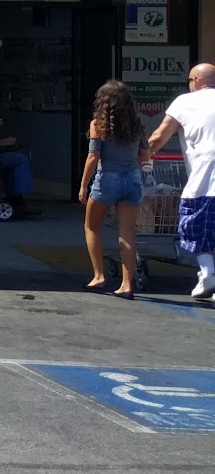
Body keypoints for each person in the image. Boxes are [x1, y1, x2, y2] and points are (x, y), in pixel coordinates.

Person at [148, 61, 215, 301]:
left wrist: (142, 157)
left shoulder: (185, 102)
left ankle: (207, 272)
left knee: (194, 225)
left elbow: (160, 135)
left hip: (205, 179)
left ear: (195, 81)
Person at [79, 80, 151, 297]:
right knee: (127, 233)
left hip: (107, 179)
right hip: (132, 179)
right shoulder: (137, 126)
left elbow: (93, 157)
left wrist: (83, 185)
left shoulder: (98, 125)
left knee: (91, 227)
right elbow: (145, 155)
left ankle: (99, 276)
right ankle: (127, 285)